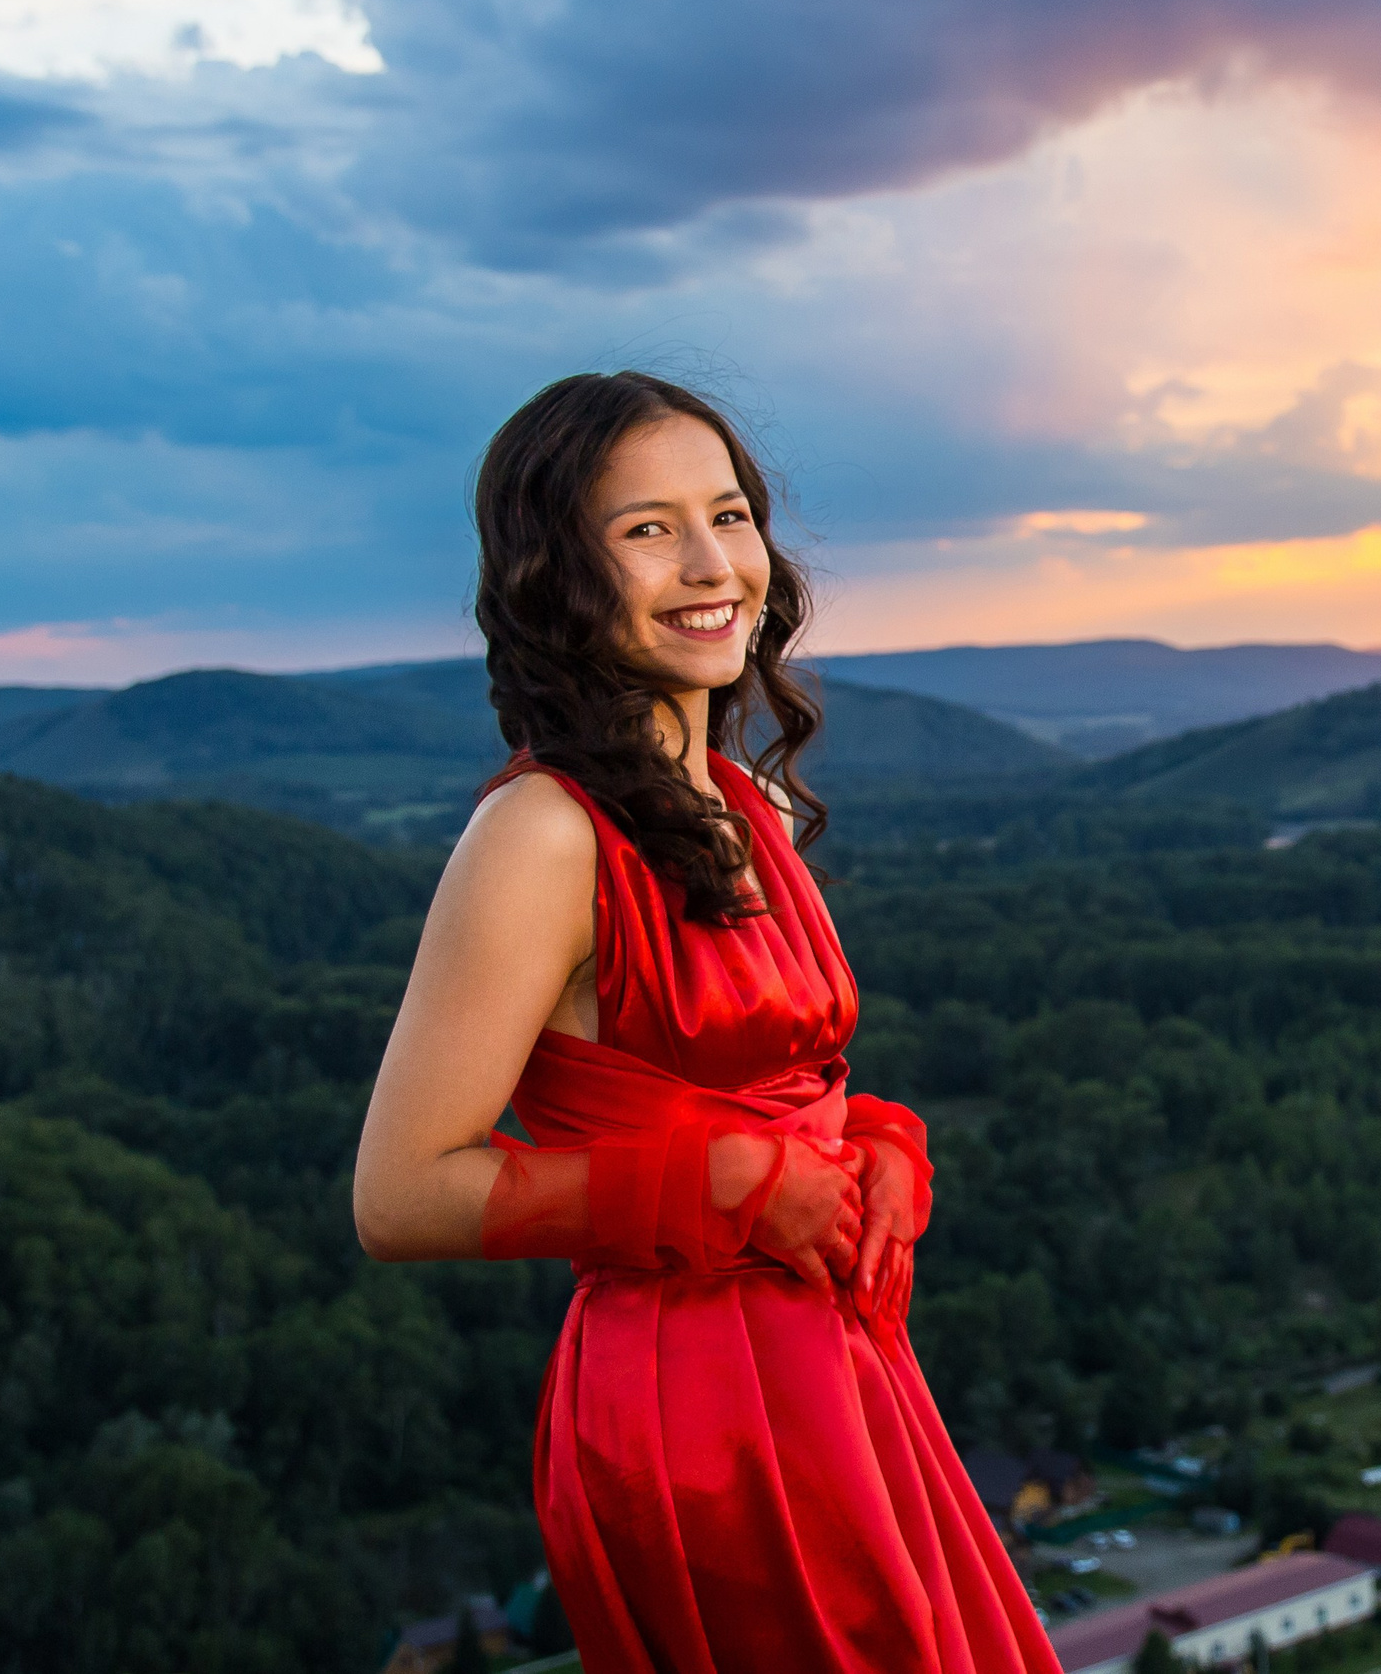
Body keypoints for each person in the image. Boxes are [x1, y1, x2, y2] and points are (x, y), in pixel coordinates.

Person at [352, 372, 1060, 1673]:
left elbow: (779, 1083)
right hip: (693, 1418)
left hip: (842, 1368)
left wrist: (881, 1147)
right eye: (645, 530)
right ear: (552, 576)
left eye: (728, 516)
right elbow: (400, 1195)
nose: (709, 563)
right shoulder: (541, 835)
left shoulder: (751, 802)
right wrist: (718, 1185)